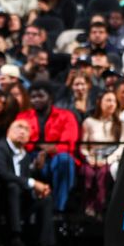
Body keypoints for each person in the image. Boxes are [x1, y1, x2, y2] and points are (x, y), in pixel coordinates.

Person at [0, 119, 54, 246]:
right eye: (19, 127)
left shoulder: (25, 156)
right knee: (13, 187)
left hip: (21, 199)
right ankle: (14, 238)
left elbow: (24, 179)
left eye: (26, 129)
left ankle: (42, 243)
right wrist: (32, 183)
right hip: (2, 198)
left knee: (45, 198)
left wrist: (36, 189)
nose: (22, 131)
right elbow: (3, 174)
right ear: (8, 131)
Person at [16, 81, 78, 213]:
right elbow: (20, 142)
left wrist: (45, 151)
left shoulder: (66, 116)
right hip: (30, 155)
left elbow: (68, 144)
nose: (36, 100)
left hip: (56, 157)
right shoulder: (23, 116)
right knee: (20, 159)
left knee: (65, 160)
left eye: (40, 96)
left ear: (50, 97)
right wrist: (37, 152)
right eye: (33, 97)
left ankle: (58, 209)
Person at [78, 91, 124, 219]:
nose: (111, 104)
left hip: (110, 159)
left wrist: (108, 160)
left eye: (113, 101)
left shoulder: (122, 125)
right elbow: (83, 146)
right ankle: (88, 206)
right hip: (92, 158)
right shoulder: (88, 122)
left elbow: (123, 146)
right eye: (108, 100)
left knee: (104, 173)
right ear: (99, 103)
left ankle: (101, 207)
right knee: (87, 173)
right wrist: (89, 158)